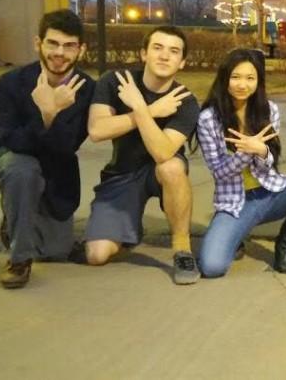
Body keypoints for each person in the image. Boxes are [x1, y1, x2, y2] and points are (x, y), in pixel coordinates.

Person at [0, 9, 94, 288]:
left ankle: (15, 219)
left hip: (57, 162)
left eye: (69, 46)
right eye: (53, 43)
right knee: (23, 171)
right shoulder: (11, 82)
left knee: (55, 251)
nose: (60, 52)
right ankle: (19, 259)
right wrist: (48, 114)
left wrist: (53, 112)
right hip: (13, 155)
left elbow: (67, 145)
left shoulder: (86, 90)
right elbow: (14, 140)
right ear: (39, 43)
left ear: (80, 49)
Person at [84, 26, 201, 285]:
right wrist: (149, 110)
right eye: (157, 48)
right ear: (143, 53)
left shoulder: (186, 101)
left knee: (171, 167)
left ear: (181, 62)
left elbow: (161, 152)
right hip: (122, 173)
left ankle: (182, 248)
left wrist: (140, 108)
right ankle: (128, 230)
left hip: (163, 173)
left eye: (173, 51)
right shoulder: (115, 82)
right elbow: (97, 130)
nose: (164, 56)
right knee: (96, 254)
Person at [196, 48, 286, 277]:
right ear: (224, 77)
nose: (242, 85)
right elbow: (219, 172)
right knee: (212, 267)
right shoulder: (209, 118)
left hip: (270, 192)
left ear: (259, 80)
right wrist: (246, 153)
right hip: (236, 202)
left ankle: (285, 245)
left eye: (250, 78)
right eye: (235, 77)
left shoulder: (269, 110)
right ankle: (234, 236)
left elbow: (270, 162)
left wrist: (262, 151)